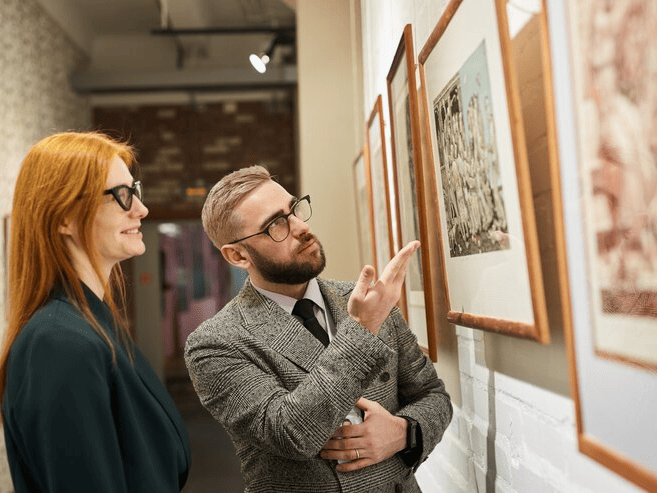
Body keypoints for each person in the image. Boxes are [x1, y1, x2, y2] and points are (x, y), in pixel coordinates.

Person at [185, 165, 452, 493]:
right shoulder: (216, 342)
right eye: (276, 224)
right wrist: (363, 328)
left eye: (295, 210)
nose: (301, 228)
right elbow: (292, 433)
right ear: (238, 255)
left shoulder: (365, 300)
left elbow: (433, 396)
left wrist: (403, 433)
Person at [0, 131, 191, 492]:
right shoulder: (59, 343)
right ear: (64, 218)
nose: (141, 209)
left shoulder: (92, 324)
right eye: (121, 195)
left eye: (134, 190)